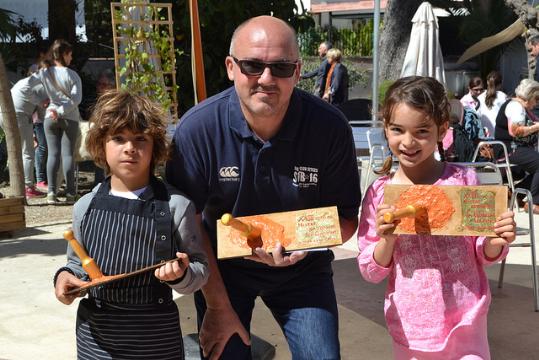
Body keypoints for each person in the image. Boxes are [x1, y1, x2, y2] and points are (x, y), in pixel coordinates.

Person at [166, 16, 361, 360]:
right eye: (253, 66)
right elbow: (187, 226)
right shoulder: (198, 129)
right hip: (222, 269)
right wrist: (217, 306)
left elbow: (346, 218)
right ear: (231, 67)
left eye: (282, 68)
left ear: (299, 71)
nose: (267, 79)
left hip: (303, 270)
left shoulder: (330, 128)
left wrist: (304, 242)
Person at [357, 76, 516, 358]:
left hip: (467, 318)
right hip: (411, 325)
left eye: (421, 131)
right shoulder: (381, 194)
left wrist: (496, 238)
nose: (408, 142)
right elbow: (370, 270)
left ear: (442, 130)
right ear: (385, 129)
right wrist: (387, 241)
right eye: (397, 130)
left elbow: (484, 251)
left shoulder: (463, 181)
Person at [53, 90, 209, 359]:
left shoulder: (176, 206)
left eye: (140, 139)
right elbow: (77, 263)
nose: (129, 147)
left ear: (155, 147)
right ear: (101, 144)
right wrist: (64, 279)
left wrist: (181, 275)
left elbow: (200, 269)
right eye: (118, 138)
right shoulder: (84, 207)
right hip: (97, 338)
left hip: (156, 340)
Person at [36, 39, 82, 205]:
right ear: (64, 54)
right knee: (68, 154)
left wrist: (45, 104)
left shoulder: (44, 73)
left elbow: (33, 89)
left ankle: (51, 193)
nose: (71, 58)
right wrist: (61, 111)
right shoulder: (72, 75)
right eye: (70, 54)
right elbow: (77, 99)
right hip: (70, 117)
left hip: (49, 116)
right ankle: (70, 194)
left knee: (53, 154)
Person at [494, 78, 539, 214]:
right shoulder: (515, 106)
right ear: (529, 97)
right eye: (536, 99)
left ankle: (518, 195)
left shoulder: (522, 108)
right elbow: (516, 131)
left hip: (516, 148)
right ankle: (534, 203)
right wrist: (536, 127)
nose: (537, 103)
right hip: (509, 149)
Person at [8, 73, 49, 198]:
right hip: (19, 116)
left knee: (15, 152)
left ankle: (17, 185)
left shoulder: (24, 82)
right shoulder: (39, 85)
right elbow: (43, 109)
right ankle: (28, 187)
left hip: (6, 114)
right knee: (28, 152)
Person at [478, 71, 507, 137]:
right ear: (500, 84)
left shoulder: (480, 97)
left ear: (487, 82)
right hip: (498, 134)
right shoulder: (503, 96)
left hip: (483, 134)